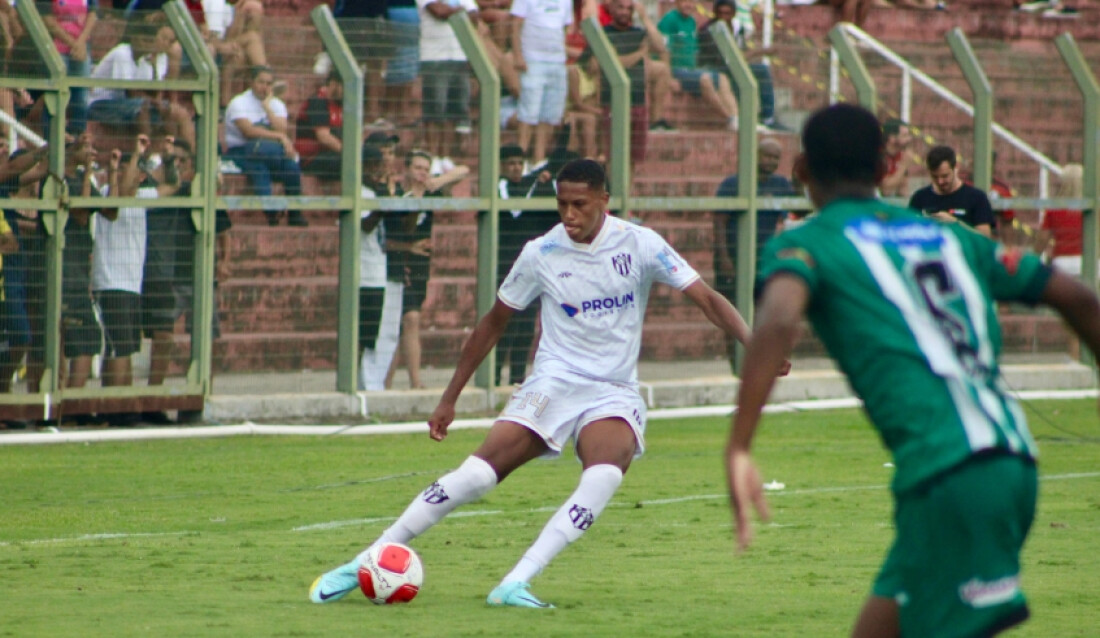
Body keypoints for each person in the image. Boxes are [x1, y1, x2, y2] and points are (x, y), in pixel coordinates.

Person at [310, 158, 768, 608]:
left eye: (580, 205)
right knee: (475, 476)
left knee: (605, 474)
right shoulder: (541, 252)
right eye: (562, 204)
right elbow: (492, 323)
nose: (569, 215)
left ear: (604, 201)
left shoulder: (641, 244)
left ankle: (515, 582)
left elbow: (706, 298)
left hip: (612, 390)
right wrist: (449, 397)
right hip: (554, 381)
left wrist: (754, 343)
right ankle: (365, 561)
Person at [726, 103, 1100, 638]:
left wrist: (739, 445)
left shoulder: (807, 242)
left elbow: (780, 313)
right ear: (885, 171)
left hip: (950, 476)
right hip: (1009, 458)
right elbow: (1080, 297)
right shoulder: (952, 237)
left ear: (802, 169)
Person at [93, 135, 179, 420]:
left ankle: (121, 408)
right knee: (118, 348)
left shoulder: (142, 197)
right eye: (138, 172)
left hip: (132, 282)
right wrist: (134, 156)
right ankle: (115, 410)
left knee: (126, 348)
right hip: (111, 280)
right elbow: (123, 193)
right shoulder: (108, 192)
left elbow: (173, 185)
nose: (141, 177)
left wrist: (167, 157)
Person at [384, 149, 469, 389]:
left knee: (410, 319)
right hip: (397, 260)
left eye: (425, 169)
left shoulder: (432, 190)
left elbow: (464, 170)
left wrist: (438, 180)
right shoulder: (397, 193)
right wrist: (409, 246)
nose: (421, 173)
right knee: (405, 319)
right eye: (417, 168)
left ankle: (412, 382)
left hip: (420, 263)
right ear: (407, 170)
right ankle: (394, 382)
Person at [87, 20, 196, 151]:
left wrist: (154, 66)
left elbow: (155, 92)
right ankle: (147, 155)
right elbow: (130, 92)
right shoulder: (122, 53)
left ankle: (188, 157)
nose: (147, 46)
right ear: (134, 39)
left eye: (150, 42)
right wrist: (156, 102)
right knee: (143, 106)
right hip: (101, 104)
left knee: (177, 112)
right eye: (144, 41)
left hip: (129, 105)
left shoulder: (149, 58)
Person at [712, 138, 795, 308]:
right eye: (767, 156)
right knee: (730, 308)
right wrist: (724, 258)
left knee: (761, 307)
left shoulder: (781, 185)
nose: (771, 161)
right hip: (734, 254)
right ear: (755, 155)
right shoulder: (733, 183)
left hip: (762, 256)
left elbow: (797, 213)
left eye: (775, 158)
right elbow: (719, 222)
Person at [223, 65, 306, 227]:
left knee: (292, 166)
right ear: (251, 82)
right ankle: (270, 210)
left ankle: (295, 213)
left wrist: (267, 107)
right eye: (261, 82)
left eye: (268, 83)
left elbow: (282, 127)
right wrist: (280, 137)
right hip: (241, 151)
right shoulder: (238, 103)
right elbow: (248, 131)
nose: (265, 87)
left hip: (270, 151)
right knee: (258, 165)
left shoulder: (276, 104)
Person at [657, 0, 739, 130]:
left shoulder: (692, 21)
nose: (688, 5)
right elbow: (663, 49)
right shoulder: (669, 19)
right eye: (684, 2)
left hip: (692, 70)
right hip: (676, 70)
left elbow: (694, 50)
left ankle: (736, 118)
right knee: (705, 79)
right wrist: (669, 77)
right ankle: (728, 118)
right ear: (677, 2)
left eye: (691, 2)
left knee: (722, 78)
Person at [509, 0, 572, 166]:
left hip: (557, 62)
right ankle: (519, 160)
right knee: (528, 113)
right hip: (532, 61)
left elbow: (565, 28)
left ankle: (538, 160)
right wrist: (518, 54)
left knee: (549, 115)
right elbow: (515, 23)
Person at [416, 0, 479, 158]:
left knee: (455, 109)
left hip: (459, 55)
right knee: (435, 109)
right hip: (433, 57)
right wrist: (460, 10)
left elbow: (475, 15)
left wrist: (454, 10)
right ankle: (432, 156)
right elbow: (439, 12)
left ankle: (445, 156)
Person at [907, 145, 995, 237]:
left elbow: (984, 238)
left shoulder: (976, 198)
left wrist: (955, 224)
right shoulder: (920, 198)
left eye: (945, 176)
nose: (940, 181)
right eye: (935, 177)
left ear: (955, 168)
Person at [42, 0, 98, 134]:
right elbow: (47, 19)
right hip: (57, 49)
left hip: (82, 49)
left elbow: (93, 14)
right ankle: (51, 137)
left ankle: (77, 138)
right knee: (56, 97)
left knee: (81, 98)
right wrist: (73, 44)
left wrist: (81, 42)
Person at [294, 71, 344, 184]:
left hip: (332, 153)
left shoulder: (343, 104)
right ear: (334, 84)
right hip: (311, 158)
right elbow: (323, 137)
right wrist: (349, 153)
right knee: (347, 161)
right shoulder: (318, 102)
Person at [879, 118, 912, 198]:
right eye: (905, 135)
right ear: (892, 138)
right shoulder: (879, 155)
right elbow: (885, 190)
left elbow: (903, 189)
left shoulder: (900, 155)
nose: (909, 139)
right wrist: (903, 166)